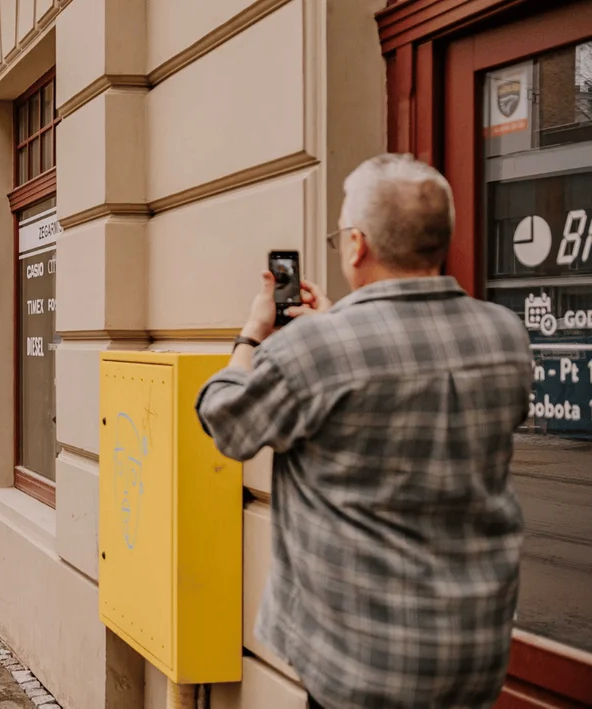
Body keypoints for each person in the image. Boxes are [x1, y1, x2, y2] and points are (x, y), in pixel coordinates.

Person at [195, 154, 531, 709]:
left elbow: (228, 423)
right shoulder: (504, 335)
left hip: (361, 663)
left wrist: (251, 339)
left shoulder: (317, 350)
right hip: (475, 650)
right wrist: (336, 325)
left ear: (357, 245)